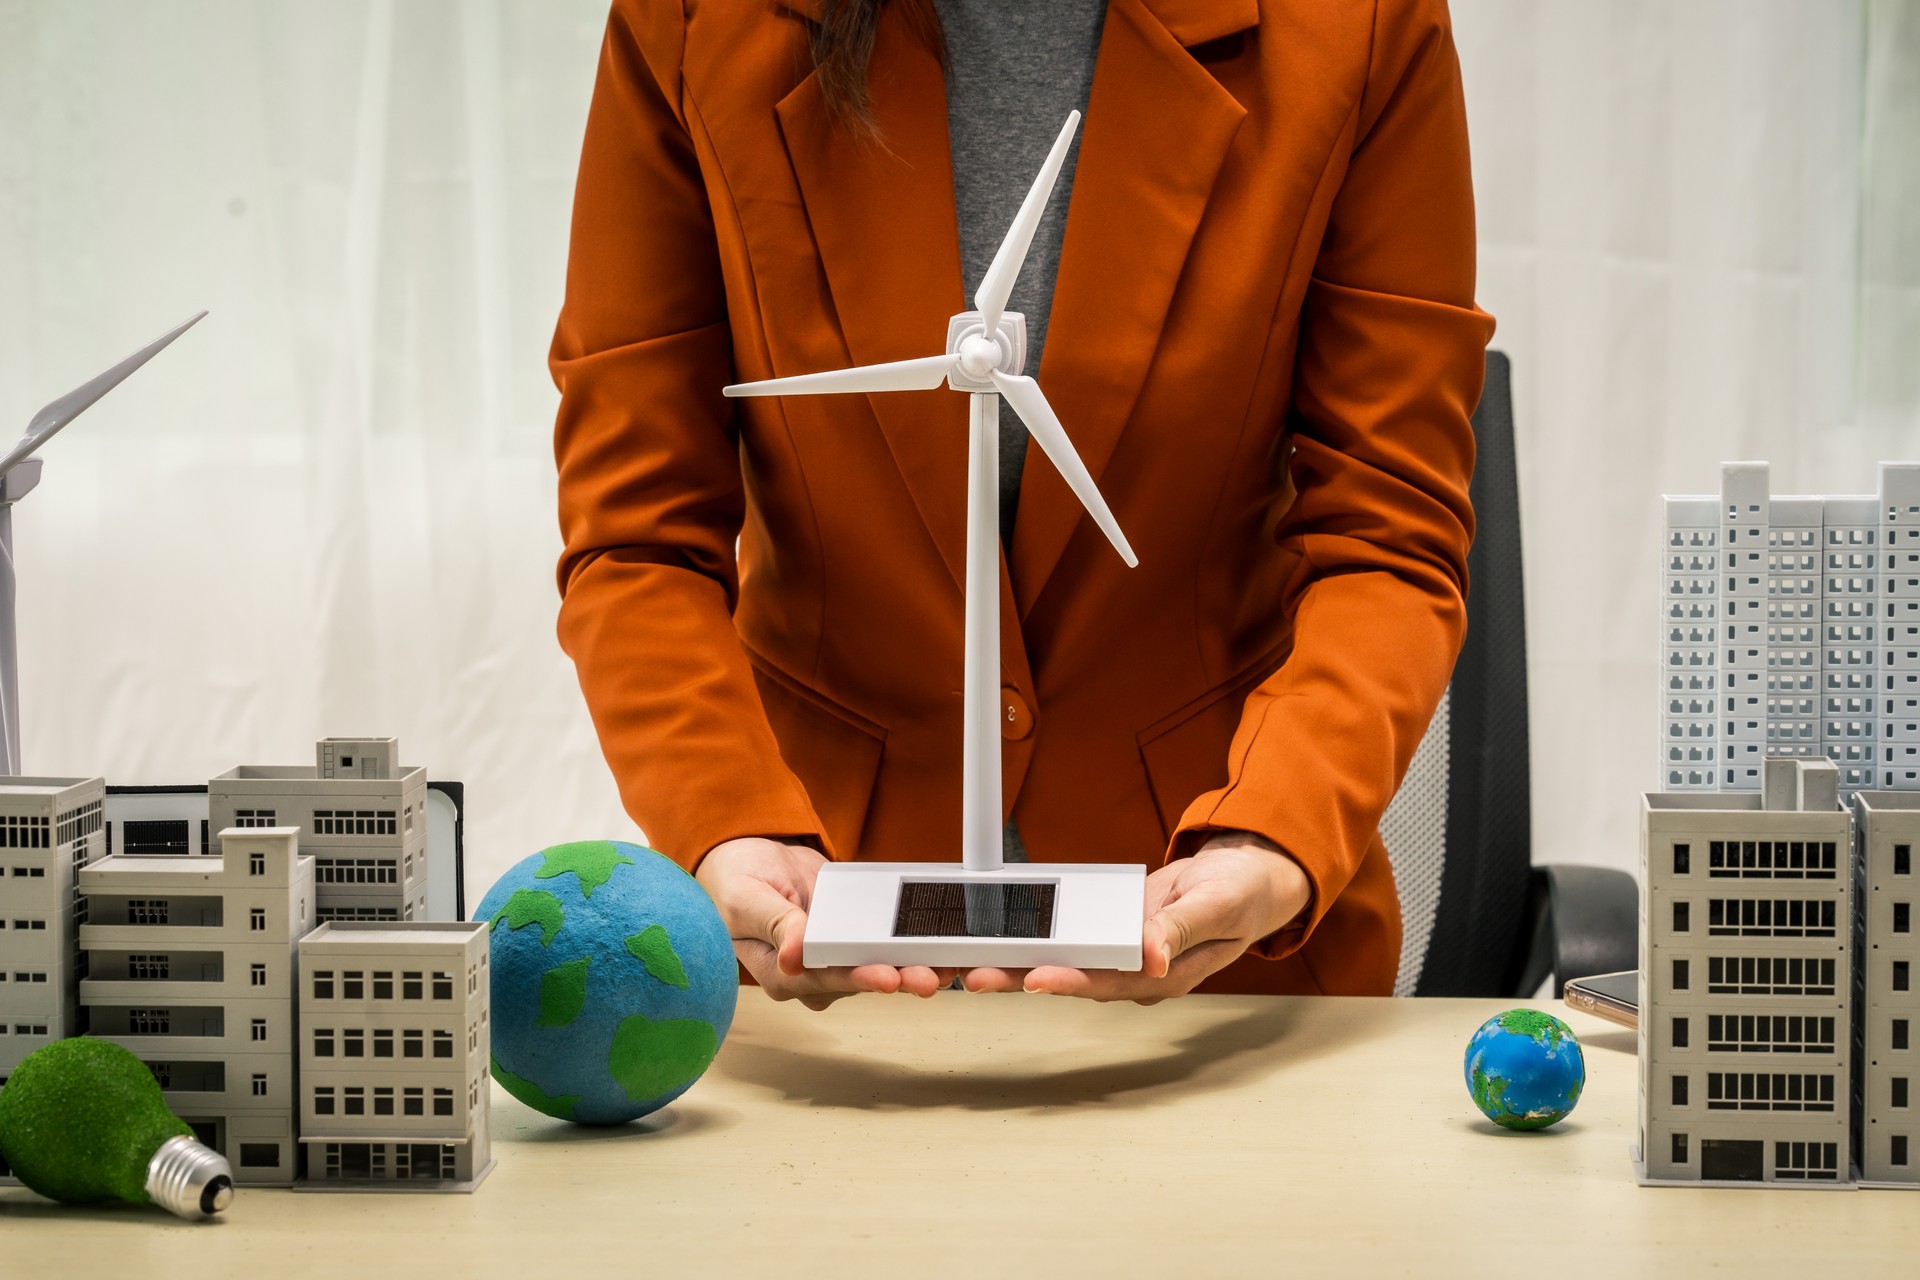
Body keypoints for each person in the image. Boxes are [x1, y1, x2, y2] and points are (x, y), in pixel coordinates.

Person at [550, 0, 1492, 1007]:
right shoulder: (693, 20)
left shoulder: (1361, 26)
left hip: (1221, 961)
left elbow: (1386, 539)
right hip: (819, 947)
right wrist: (727, 817)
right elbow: (637, 538)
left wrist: (1272, 830)